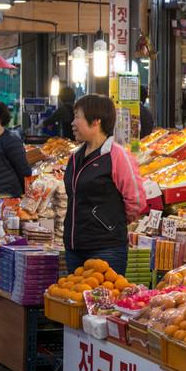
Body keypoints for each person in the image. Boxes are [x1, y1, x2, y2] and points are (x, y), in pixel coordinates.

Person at [63, 94, 147, 274]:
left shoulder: (117, 156)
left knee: (104, 300)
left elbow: (136, 201)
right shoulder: (75, 157)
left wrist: (110, 223)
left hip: (106, 248)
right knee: (74, 299)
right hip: (74, 247)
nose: (72, 122)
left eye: (77, 116)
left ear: (96, 121)